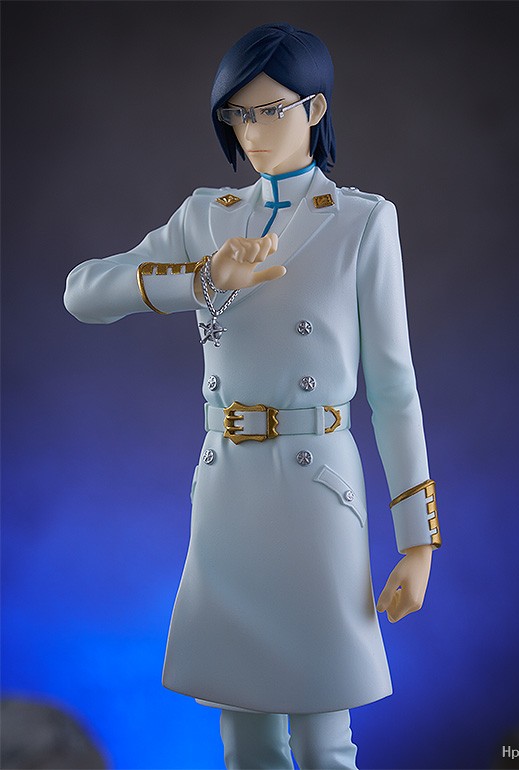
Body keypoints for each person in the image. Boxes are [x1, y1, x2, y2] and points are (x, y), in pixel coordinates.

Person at [64, 22, 441, 770]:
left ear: (315, 109)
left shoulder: (363, 220)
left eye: (271, 110)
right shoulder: (207, 216)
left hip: (316, 484)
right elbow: (83, 291)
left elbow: (395, 389)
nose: (253, 131)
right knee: (243, 734)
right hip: (229, 484)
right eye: (238, 114)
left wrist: (418, 541)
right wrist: (202, 277)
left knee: (324, 731)